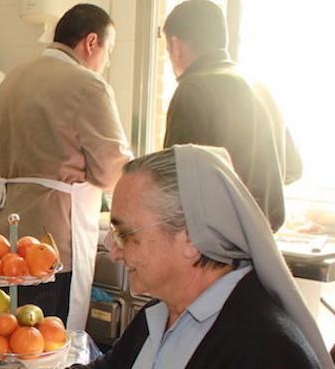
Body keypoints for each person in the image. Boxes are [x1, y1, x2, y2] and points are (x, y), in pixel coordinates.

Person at [71, 144, 331, 369]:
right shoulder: (161, 311)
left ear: (191, 238)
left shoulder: (267, 350)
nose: (115, 251)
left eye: (125, 234)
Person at [0, 3, 133, 330]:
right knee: (46, 342)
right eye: (108, 50)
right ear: (90, 42)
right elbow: (112, 171)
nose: (108, 62)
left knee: (4, 336)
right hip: (51, 239)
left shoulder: (13, 78)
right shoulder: (88, 85)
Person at [162, 0, 303, 232]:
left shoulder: (193, 88)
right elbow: (292, 169)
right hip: (263, 242)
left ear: (176, 46)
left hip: (216, 246)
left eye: (168, 50)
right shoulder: (260, 87)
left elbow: (174, 181)